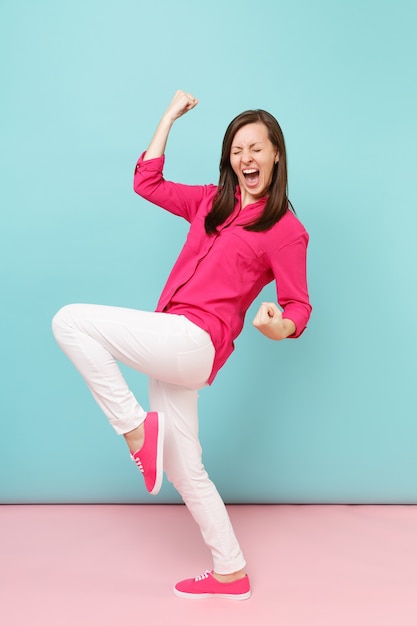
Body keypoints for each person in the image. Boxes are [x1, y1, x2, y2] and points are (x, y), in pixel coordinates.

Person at [52, 89, 312, 600]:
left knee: (70, 321)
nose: (246, 159)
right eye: (237, 151)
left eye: (256, 149)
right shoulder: (210, 204)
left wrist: (276, 324)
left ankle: (133, 432)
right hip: (170, 341)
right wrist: (169, 116)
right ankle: (230, 572)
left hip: (196, 341)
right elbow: (145, 182)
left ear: (276, 154)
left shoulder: (286, 230)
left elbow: (298, 306)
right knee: (184, 468)